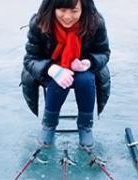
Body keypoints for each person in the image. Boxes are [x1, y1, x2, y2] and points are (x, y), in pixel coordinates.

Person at [21, 0, 111, 150]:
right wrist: (52, 69)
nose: (68, 16)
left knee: (86, 79)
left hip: (82, 70)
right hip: (49, 70)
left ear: (83, 9)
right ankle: (49, 124)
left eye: (74, 11)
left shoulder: (95, 23)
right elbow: (30, 59)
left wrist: (88, 63)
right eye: (62, 10)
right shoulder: (39, 23)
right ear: (52, 8)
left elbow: (103, 52)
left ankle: (85, 126)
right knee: (60, 80)